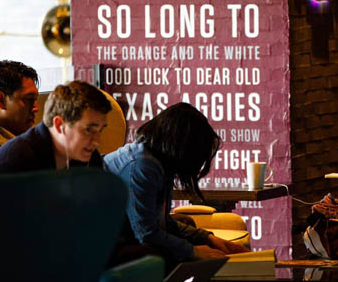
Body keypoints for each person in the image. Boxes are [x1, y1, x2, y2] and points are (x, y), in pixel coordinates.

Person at [103, 102, 248, 266]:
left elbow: (163, 222)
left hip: (130, 232)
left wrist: (208, 238)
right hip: (110, 244)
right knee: (169, 253)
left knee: (186, 225)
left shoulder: (160, 162)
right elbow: (146, 234)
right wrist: (194, 251)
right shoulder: (141, 165)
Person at [0, 80, 111, 175]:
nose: (96, 141)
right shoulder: (15, 163)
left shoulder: (89, 157)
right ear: (60, 125)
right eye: (88, 130)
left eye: (100, 130)